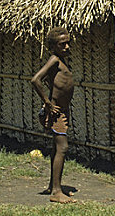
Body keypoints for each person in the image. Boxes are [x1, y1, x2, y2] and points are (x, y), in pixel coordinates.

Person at [31, 27, 76, 203]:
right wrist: (47, 102)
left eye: (68, 43)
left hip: (62, 111)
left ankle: (53, 185)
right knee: (62, 147)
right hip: (56, 112)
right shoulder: (54, 60)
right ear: (53, 47)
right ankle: (56, 192)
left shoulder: (61, 61)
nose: (66, 46)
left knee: (56, 148)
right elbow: (35, 80)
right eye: (62, 44)